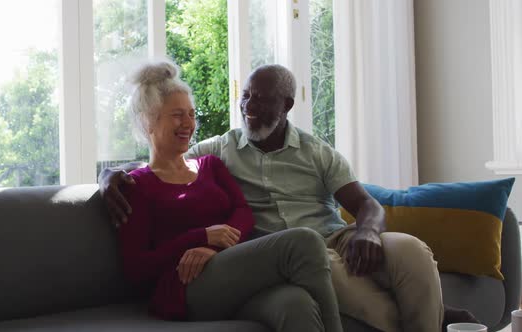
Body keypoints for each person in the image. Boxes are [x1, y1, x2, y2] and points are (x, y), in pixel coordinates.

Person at [101, 64, 478, 332]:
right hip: (292, 255)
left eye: (262, 100)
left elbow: (366, 205)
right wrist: (107, 175)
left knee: (412, 250)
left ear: (287, 106)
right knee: (323, 269)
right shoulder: (223, 149)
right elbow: (163, 161)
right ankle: (438, 317)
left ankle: (433, 317)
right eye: (245, 97)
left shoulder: (314, 152)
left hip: (337, 237)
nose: (249, 107)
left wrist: (367, 232)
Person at [115, 60, 343, 332]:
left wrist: (213, 246)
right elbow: (136, 268)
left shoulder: (209, 165)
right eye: (177, 115)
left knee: (296, 305)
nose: (188, 123)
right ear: (148, 121)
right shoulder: (136, 187)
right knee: (304, 240)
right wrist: (202, 237)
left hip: (233, 276)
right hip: (186, 287)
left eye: (191, 113)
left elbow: (243, 212)